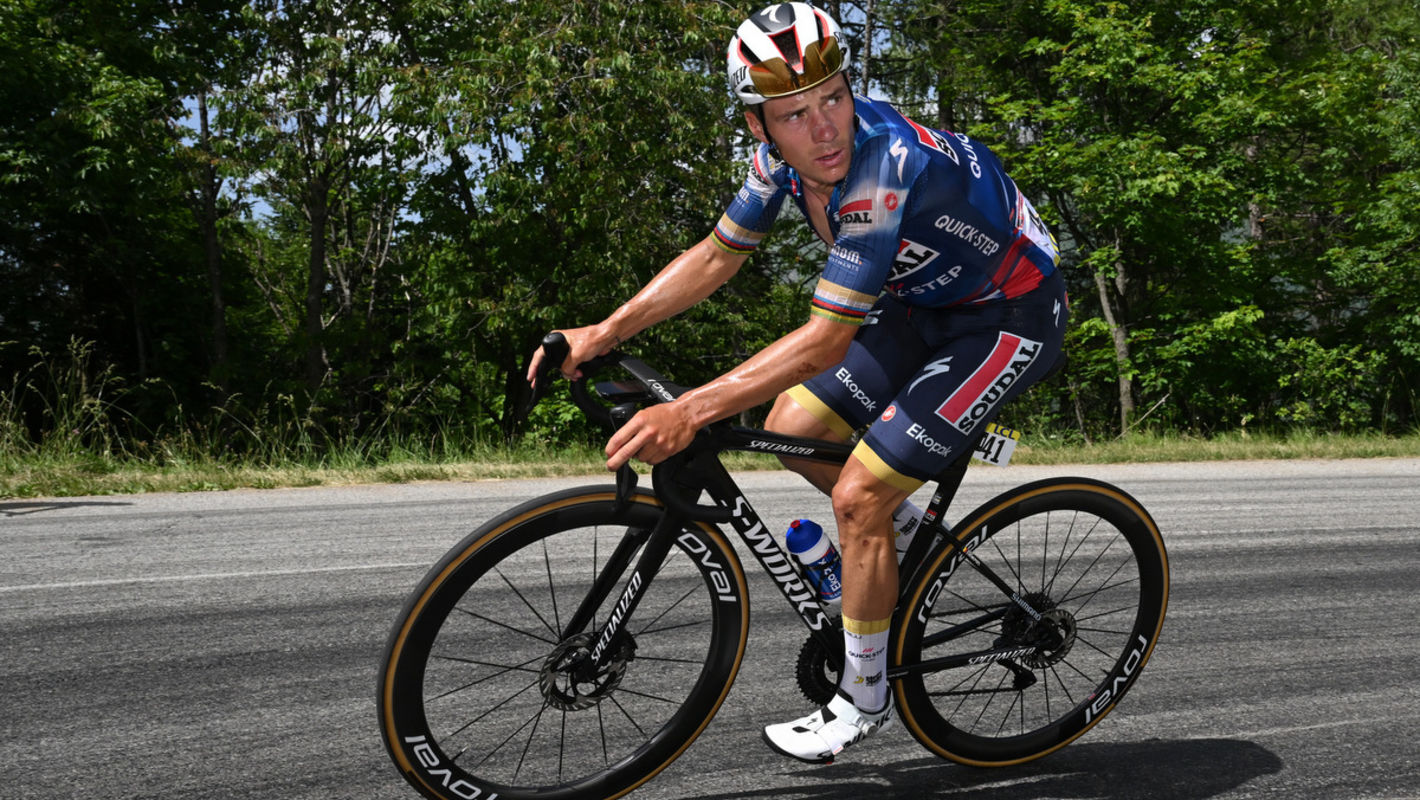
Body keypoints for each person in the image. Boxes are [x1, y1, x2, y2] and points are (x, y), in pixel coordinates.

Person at [526, 1, 1068, 765]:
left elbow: (823, 340)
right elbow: (718, 256)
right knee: (794, 427)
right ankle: (902, 549)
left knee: (857, 497)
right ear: (759, 126)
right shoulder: (778, 163)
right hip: (927, 303)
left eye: (835, 99)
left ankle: (864, 696)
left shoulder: (883, 172)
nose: (824, 129)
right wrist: (603, 332)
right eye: (794, 114)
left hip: (1009, 315)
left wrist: (690, 409)